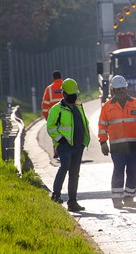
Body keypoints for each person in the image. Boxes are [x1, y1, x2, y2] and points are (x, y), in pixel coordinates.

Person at [98, 75, 136, 209]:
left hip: (134, 145)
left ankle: (129, 198)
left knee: (133, 171)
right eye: (118, 90)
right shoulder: (107, 107)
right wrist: (103, 143)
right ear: (113, 90)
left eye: (123, 89)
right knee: (118, 171)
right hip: (117, 147)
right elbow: (102, 126)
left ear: (126, 89)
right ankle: (117, 199)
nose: (122, 92)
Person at [47, 78, 90, 212]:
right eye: (71, 95)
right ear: (64, 94)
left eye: (74, 94)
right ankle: (56, 195)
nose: (73, 97)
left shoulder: (78, 107)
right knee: (64, 167)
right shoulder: (56, 109)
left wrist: (84, 141)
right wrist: (61, 139)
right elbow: (50, 127)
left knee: (74, 174)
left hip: (78, 145)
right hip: (64, 146)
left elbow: (84, 123)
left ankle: (72, 202)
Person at [41, 70, 64, 159]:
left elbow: (45, 104)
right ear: (61, 76)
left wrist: (47, 117)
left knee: (55, 133)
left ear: (53, 78)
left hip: (54, 116)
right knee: (67, 132)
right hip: (66, 115)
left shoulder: (49, 89)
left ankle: (56, 149)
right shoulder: (65, 86)